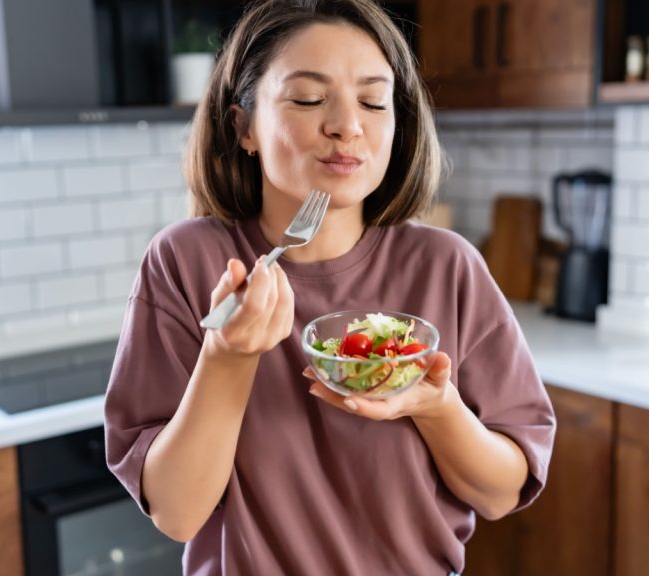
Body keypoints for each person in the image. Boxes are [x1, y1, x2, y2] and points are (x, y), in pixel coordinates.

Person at [104, 1, 556, 574]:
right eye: (309, 98)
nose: (348, 125)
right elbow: (177, 512)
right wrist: (227, 356)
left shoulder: (448, 266)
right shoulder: (187, 262)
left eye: (373, 100)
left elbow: (501, 492)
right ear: (243, 127)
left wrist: (436, 407)